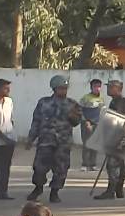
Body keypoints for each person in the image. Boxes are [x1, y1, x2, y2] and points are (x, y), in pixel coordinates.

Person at [26, 75, 84, 204]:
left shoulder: (72, 104)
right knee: (39, 168)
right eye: (61, 88)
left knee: (61, 168)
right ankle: (38, 188)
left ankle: (55, 192)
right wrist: (31, 138)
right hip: (46, 141)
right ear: (54, 88)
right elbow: (36, 120)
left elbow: (77, 122)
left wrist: (73, 116)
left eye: (65, 88)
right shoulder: (43, 102)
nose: (63, 91)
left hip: (63, 142)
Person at [92, 80, 125, 200]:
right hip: (121, 137)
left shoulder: (122, 103)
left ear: (118, 88)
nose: (108, 89)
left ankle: (112, 190)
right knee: (119, 164)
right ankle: (118, 190)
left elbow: (119, 121)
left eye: (111, 87)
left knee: (113, 165)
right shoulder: (115, 101)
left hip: (119, 137)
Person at [79, 79, 106, 170]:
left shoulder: (101, 98)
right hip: (87, 124)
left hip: (97, 124)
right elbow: (79, 111)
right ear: (91, 87)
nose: (97, 88)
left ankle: (93, 164)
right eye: (95, 86)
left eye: (99, 86)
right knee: (87, 144)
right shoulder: (86, 98)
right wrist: (86, 122)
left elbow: (103, 111)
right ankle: (85, 164)